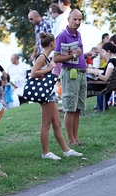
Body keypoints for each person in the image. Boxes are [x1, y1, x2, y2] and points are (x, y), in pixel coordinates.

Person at [31, 32, 83, 160]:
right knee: (46, 124)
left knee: (57, 123)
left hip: (50, 92)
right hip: (45, 94)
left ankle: (66, 150)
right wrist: (49, 68)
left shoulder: (47, 57)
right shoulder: (42, 57)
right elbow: (33, 73)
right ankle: (45, 153)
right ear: (52, 43)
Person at [54, 9, 95, 146]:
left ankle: (76, 138)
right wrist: (73, 55)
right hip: (70, 73)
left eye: (79, 19)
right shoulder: (62, 36)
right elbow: (56, 58)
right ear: (69, 20)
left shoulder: (78, 34)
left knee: (78, 107)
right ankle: (70, 140)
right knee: (70, 107)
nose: (77, 22)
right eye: (75, 19)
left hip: (81, 73)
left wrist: (86, 55)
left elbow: (78, 55)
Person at [87, 42, 116, 111]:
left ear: (108, 51)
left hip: (102, 85)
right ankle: (100, 106)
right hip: (111, 84)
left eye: (103, 52)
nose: (103, 54)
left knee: (83, 81)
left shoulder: (111, 62)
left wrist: (94, 73)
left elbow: (105, 78)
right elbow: (108, 72)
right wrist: (98, 71)